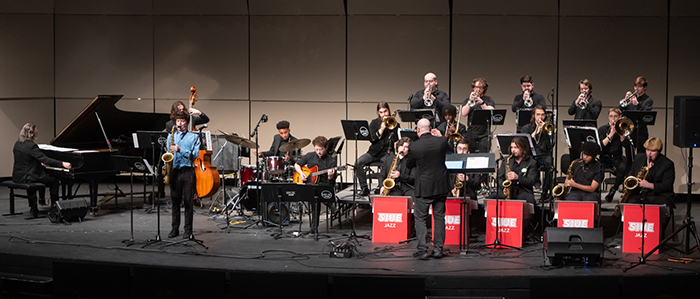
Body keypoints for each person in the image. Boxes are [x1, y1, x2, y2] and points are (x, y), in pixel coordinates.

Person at [404, 118, 451, 260]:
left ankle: (422, 249)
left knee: (420, 219)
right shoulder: (441, 141)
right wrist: (441, 136)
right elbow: (451, 152)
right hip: (441, 186)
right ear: (431, 129)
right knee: (439, 218)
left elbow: (408, 165)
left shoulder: (415, 147)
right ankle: (438, 250)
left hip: (423, 188)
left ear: (418, 130)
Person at [12, 123, 72, 213]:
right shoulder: (31, 146)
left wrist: (39, 162)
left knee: (43, 177)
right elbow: (45, 159)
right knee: (54, 181)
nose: (37, 133)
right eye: (36, 132)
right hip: (29, 177)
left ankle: (33, 207)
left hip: (18, 176)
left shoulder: (17, 144)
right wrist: (62, 163)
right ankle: (54, 207)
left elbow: (26, 160)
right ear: (31, 133)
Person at [624, 138, 675, 229]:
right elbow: (631, 173)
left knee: (665, 206)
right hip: (640, 193)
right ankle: (633, 232)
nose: (649, 153)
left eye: (653, 151)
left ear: (659, 151)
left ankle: (659, 234)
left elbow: (667, 186)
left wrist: (649, 185)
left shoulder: (667, 164)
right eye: (647, 150)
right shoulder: (639, 158)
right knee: (630, 203)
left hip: (659, 195)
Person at [167, 111, 201, 240]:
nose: (180, 123)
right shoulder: (171, 137)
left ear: (186, 122)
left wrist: (180, 150)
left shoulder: (194, 137)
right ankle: (174, 228)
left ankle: (188, 230)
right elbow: (167, 153)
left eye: (182, 121)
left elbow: (195, 155)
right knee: (175, 202)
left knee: (188, 202)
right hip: (175, 172)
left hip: (188, 172)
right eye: (178, 121)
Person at [355, 102, 399, 196]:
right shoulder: (374, 123)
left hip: (387, 152)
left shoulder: (395, 124)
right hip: (374, 152)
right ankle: (364, 188)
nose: (384, 114)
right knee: (358, 163)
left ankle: (381, 188)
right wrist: (381, 129)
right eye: (381, 112)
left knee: (387, 164)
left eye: (385, 111)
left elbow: (396, 139)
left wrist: (391, 129)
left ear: (389, 110)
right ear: (378, 113)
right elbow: (372, 140)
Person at [520, 105, 554, 200]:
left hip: (544, 155)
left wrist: (546, 133)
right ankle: (527, 191)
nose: (540, 117)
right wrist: (536, 132)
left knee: (550, 164)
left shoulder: (549, 128)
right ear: (533, 115)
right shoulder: (526, 128)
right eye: (538, 114)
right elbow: (524, 144)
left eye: (543, 115)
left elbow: (551, 145)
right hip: (530, 155)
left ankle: (545, 193)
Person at [497, 136, 539, 204]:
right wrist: (503, 187)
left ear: (523, 148)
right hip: (508, 189)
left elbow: (531, 181)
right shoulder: (506, 160)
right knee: (490, 198)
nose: (513, 150)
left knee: (530, 200)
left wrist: (518, 178)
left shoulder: (532, 162)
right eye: (511, 147)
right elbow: (500, 177)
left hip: (523, 190)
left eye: (516, 147)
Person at [599, 108, 628, 202]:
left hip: (616, 158)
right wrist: (610, 135)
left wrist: (622, 136)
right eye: (611, 116)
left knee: (623, 168)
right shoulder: (602, 129)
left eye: (615, 116)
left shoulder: (623, 129)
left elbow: (627, 147)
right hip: (604, 158)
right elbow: (600, 147)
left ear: (620, 117)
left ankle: (613, 190)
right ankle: (596, 193)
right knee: (597, 171)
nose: (613, 118)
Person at [461, 78, 495, 154]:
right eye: (476, 87)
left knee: (483, 155)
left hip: (484, 133)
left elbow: (491, 112)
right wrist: (470, 101)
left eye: (480, 87)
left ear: (484, 89)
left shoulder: (488, 100)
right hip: (471, 132)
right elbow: (463, 113)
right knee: (471, 156)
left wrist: (482, 103)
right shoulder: (468, 100)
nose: (478, 89)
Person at [620, 76, 653, 155]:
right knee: (629, 154)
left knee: (641, 155)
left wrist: (637, 105)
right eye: (635, 86)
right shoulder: (631, 99)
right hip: (630, 130)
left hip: (641, 131)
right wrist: (625, 100)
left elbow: (645, 116)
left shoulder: (648, 100)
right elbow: (620, 111)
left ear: (644, 88)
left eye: (639, 86)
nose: (636, 89)